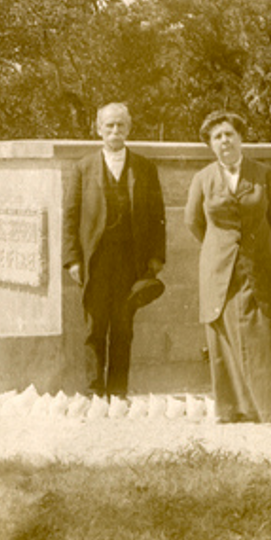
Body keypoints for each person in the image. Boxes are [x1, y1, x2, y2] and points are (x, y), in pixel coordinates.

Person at [185, 110, 271, 424]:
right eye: (217, 137)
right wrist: (221, 247)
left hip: (261, 263)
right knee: (228, 335)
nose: (225, 140)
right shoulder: (202, 179)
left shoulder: (263, 174)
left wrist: (255, 244)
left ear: (241, 137)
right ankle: (237, 409)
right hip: (220, 270)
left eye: (230, 134)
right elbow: (194, 222)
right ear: (210, 145)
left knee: (269, 333)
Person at [63, 103, 167, 398]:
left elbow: (159, 216)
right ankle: (93, 391)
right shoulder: (83, 167)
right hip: (95, 261)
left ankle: (118, 391)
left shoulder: (145, 168)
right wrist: (73, 260)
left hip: (130, 261)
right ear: (98, 129)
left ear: (129, 128)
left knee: (123, 327)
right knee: (94, 328)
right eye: (109, 125)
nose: (115, 131)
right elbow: (71, 215)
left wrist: (156, 258)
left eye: (120, 125)